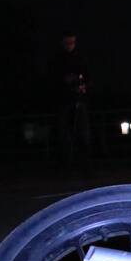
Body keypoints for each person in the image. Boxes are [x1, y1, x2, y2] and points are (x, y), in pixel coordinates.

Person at [50, 32, 91, 176]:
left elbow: (87, 75)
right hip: (64, 100)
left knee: (82, 133)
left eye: (72, 42)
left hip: (78, 99)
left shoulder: (80, 58)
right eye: (67, 42)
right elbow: (54, 78)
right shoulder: (58, 59)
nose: (70, 45)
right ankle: (66, 166)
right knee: (64, 134)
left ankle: (84, 166)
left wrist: (83, 86)